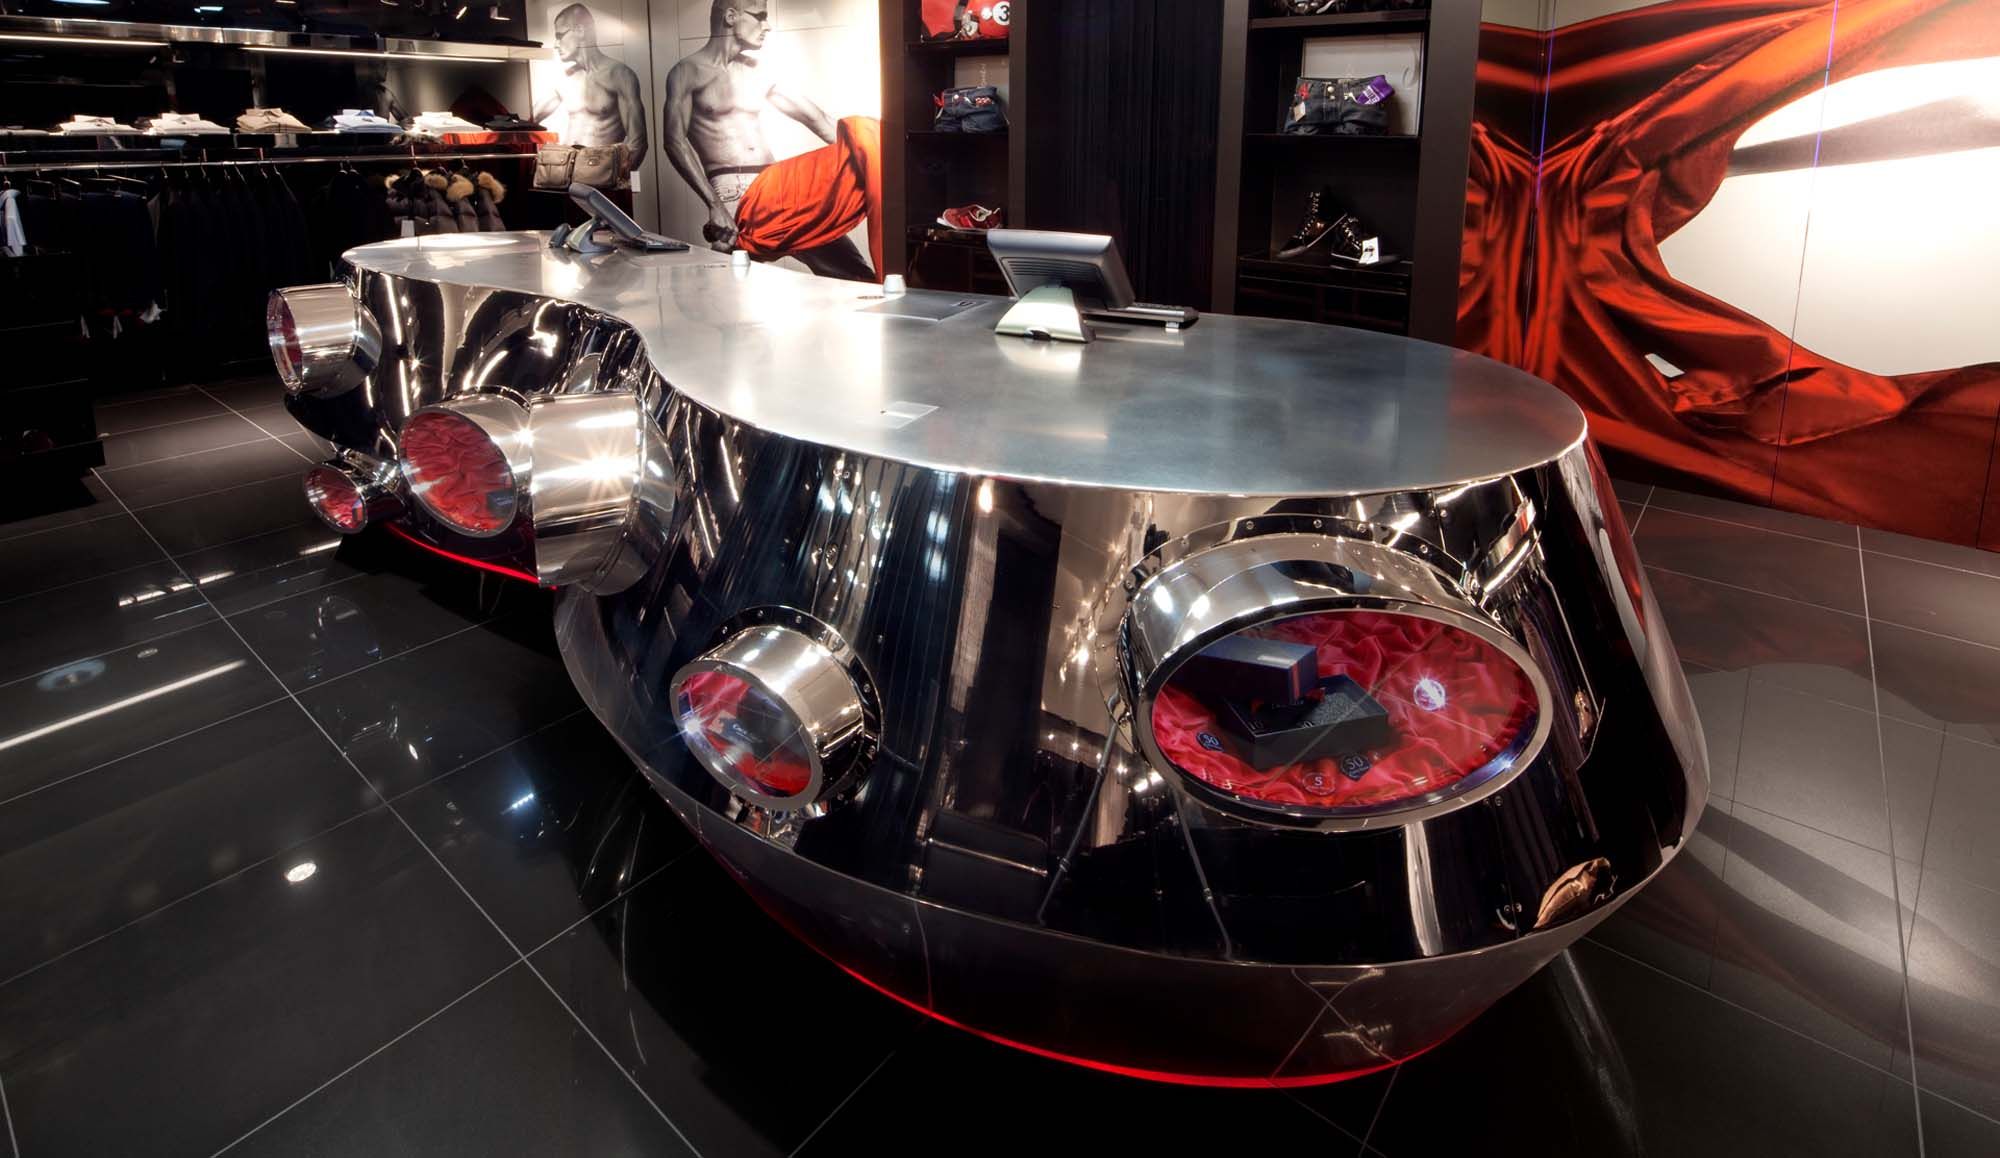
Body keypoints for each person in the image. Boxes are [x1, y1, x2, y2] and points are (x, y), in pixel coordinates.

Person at [662, 1, 881, 280]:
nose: (767, 26)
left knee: (855, 275)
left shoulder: (757, 71)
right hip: (733, 194)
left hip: (777, 189)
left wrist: (865, 156)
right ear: (731, 16)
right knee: (728, 286)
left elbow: (818, 119)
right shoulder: (688, 72)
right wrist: (714, 206)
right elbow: (674, 141)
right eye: (760, 16)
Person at [533, 3, 649, 176]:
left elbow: (638, 142)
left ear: (580, 30)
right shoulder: (566, 78)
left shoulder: (618, 75)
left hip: (599, 177)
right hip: (564, 175)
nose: (556, 44)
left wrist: (617, 178)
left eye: (560, 36)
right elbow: (531, 119)